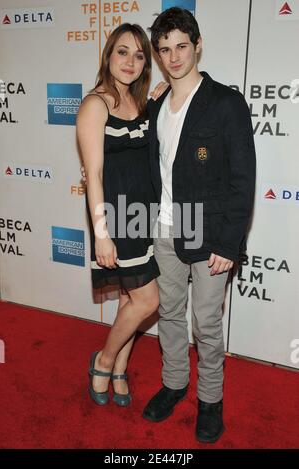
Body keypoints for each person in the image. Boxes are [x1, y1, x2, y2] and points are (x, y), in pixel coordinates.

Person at [142, 7, 256, 443]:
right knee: (169, 313)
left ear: (198, 45)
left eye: (181, 47)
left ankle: (211, 400)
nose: (174, 57)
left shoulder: (225, 103)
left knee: (205, 324)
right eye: (165, 49)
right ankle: (174, 383)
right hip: (166, 227)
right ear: (158, 53)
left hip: (209, 234)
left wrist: (229, 243)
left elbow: (242, 179)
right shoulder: (156, 105)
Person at [76, 23, 163, 407]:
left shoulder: (142, 103)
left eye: (139, 55)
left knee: (131, 298)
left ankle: (121, 366)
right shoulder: (95, 104)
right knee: (147, 300)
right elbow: (93, 174)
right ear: (109, 55)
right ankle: (104, 360)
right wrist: (101, 233)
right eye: (122, 52)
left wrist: (161, 95)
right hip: (116, 215)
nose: (130, 61)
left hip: (144, 213)